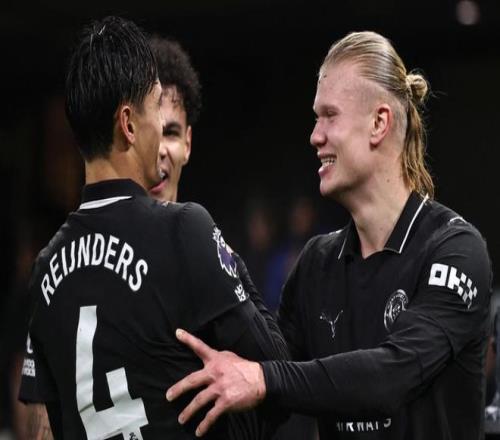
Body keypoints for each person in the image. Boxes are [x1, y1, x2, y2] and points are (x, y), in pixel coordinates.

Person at [166, 31, 493, 440]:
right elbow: (266, 399)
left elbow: (393, 376)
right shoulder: (316, 264)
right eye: (316, 118)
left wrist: (263, 379)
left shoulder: (454, 250)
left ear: (379, 123)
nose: (315, 135)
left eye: (329, 116)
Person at [19, 16, 287, 439]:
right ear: (128, 124)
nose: (160, 129)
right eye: (155, 107)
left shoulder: (46, 266)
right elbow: (277, 374)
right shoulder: (187, 230)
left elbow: (42, 432)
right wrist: (230, 261)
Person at [17, 35, 203, 439]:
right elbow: (43, 422)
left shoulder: (208, 253)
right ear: (129, 127)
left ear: (188, 144)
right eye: (154, 126)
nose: (160, 147)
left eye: (172, 132)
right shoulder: (61, 267)